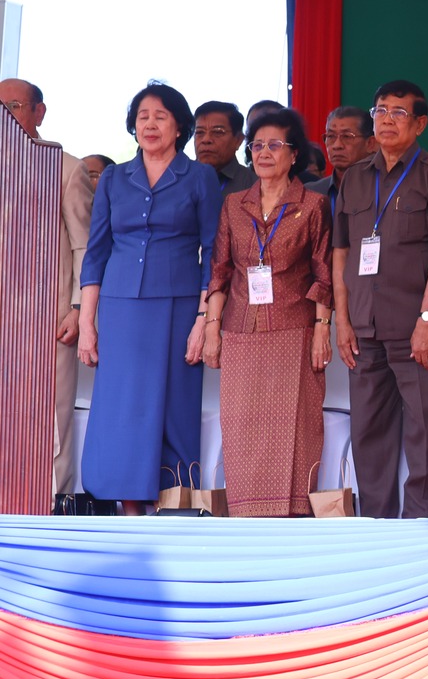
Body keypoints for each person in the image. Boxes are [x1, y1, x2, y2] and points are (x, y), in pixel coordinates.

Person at [78, 82, 221, 513]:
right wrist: (87, 323)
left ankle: (172, 506)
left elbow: (214, 252)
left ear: (179, 127)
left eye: (161, 116)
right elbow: (96, 252)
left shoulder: (199, 177)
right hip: (120, 308)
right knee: (122, 407)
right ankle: (128, 509)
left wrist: (203, 318)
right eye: (143, 116)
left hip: (179, 308)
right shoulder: (114, 178)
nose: (150, 124)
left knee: (173, 405)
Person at [330, 80, 428, 519]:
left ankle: (419, 527)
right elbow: (341, 253)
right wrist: (343, 321)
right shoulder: (355, 178)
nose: (387, 120)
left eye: (399, 113)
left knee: (425, 432)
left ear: (420, 124)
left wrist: (427, 319)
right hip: (363, 329)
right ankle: (377, 526)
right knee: (368, 434)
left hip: (414, 330)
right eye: (381, 111)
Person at [202, 108, 332, 517]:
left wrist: (322, 329)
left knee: (295, 426)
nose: (264, 152)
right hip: (241, 331)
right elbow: (220, 271)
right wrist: (211, 329)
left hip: (295, 329)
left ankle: (292, 517)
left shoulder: (313, 205)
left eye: (275, 145)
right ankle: (245, 515)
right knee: (242, 426)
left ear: (294, 154)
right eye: (257, 145)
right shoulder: (233, 205)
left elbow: (324, 272)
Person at [0, 78, 93, 499]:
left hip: (48, 319)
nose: (6, 116)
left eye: (14, 107)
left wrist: (77, 308)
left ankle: (51, 506)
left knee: (48, 418)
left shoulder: (66, 168)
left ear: (39, 113)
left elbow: (85, 246)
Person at [311, 108, 374, 199]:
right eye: (331, 136)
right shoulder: (313, 193)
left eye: (347, 136)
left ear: (370, 143)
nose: (337, 145)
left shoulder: (382, 190)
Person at [194, 101, 255, 194]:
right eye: (199, 132)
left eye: (217, 132)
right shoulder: (178, 178)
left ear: (238, 140)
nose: (206, 140)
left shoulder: (254, 185)